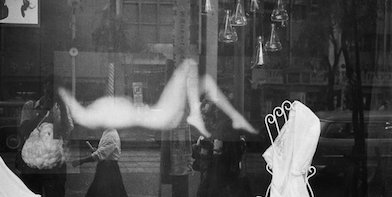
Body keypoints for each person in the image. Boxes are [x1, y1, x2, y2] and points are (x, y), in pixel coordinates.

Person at [57, 59, 258, 138]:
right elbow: (77, 112)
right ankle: (196, 115)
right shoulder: (90, 116)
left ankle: (235, 117)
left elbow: (76, 109)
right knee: (189, 64)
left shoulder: (96, 111)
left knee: (203, 81)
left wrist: (64, 95)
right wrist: (62, 94)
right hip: (161, 116)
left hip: (161, 113)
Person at [15, 77, 75, 197]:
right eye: (48, 89)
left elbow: (67, 133)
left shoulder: (61, 108)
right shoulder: (31, 106)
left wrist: (60, 111)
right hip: (31, 167)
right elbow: (24, 130)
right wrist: (42, 112)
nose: (50, 93)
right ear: (43, 89)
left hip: (53, 168)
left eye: (54, 90)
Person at [186, 108, 250, 197]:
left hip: (224, 165)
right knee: (209, 191)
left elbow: (220, 147)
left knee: (214, 193)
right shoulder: (220, 125)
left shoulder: (223, 126)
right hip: (222, 164)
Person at [181, 100, 217, 197]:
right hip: (206, 165)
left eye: (206, 114)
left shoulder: (214, 130)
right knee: (203, 192)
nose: (204, 117)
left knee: (206, 193)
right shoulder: (204, 130)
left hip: (213, 166)